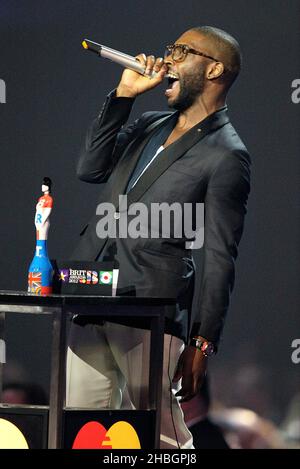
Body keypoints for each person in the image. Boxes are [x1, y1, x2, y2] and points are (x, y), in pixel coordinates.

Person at [67, 26, 251, 449]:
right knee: (82, 431)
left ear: (214, 69)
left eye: (181, 52)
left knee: (162, 437)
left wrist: (202, 342)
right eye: (169, 49)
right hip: (88, 294)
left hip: (148, 309)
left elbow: (221, 255)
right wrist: (124, 96)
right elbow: (89, 169)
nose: (166, 60)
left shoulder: (227, 153)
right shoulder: (150, 123)